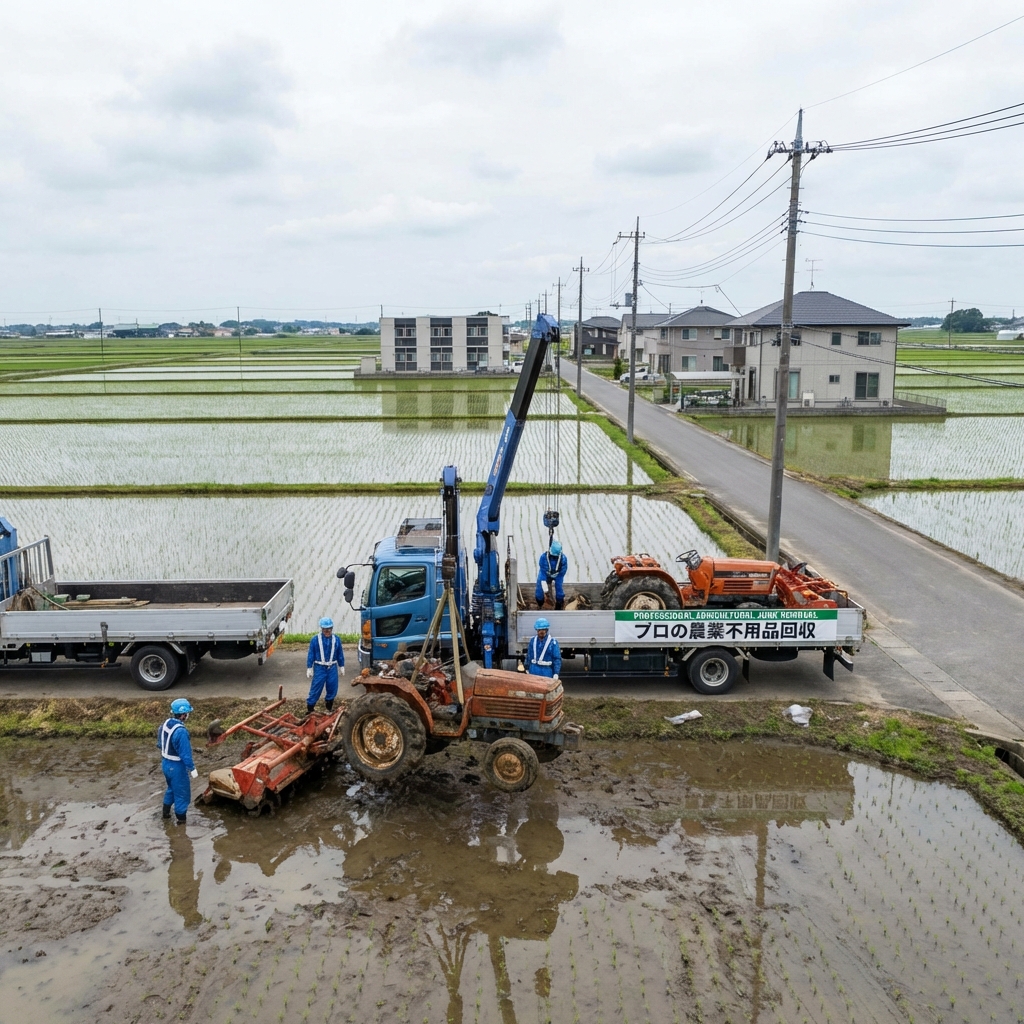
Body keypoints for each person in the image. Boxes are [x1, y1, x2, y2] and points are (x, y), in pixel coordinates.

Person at [160, 698, 198, 825]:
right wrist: (192, 769)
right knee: (182, 794)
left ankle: (165, 815)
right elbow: (185, 754)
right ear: (183, 715)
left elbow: (160, 744)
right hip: (177, 767)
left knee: (171, 788)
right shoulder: (181, 731)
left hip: (165, 763)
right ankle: (181, 824)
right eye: (187, 714)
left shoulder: (166, 724)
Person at [307, 616, 345, 715]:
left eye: (329, 629)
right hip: (320, 667)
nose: (327, 631)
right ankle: (310, 709)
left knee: (332, 687)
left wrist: (341, 666)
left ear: (332, 628)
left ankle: (329, 707)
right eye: (325, 629)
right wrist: (309, 667)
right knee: (316, 687)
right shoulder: (315, 640)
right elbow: (311, 654)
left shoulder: (336, 639)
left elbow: (340, 653)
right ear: (321, 629)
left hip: (332, 667)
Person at [535, 540, 568, 610]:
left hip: (558, 575)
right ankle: (540, 603)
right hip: (545, 574)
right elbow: (543, 573)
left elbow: (562, 572)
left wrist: (557, 576)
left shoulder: (563, 559)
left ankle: (559, 605)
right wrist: (546, 590)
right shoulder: (544, 558)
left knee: (559, 588)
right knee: (539, 588)